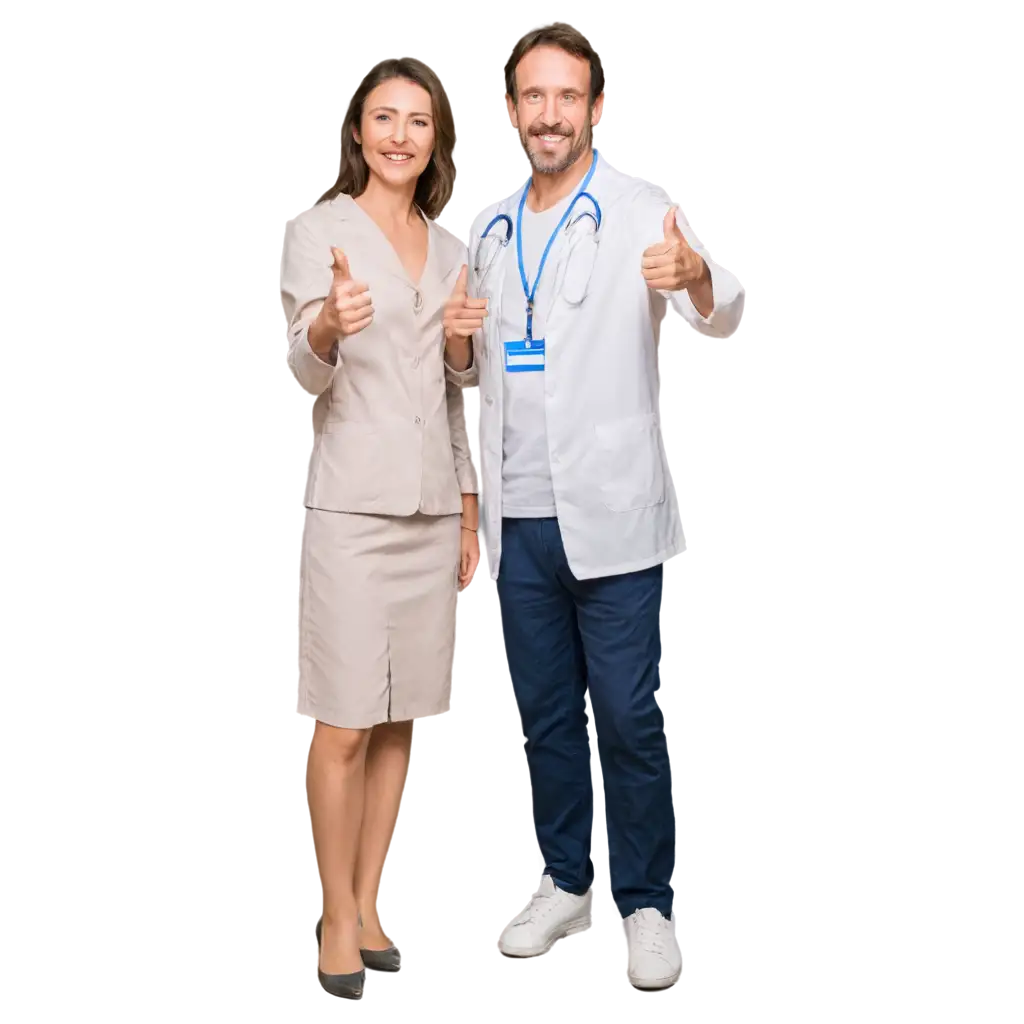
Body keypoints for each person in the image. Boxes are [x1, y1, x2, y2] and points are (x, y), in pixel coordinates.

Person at [462, 26, 744, 989]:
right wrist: (459, 349)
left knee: (628, 716)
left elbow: (715, 301)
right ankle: (563, 876)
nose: (549, 114)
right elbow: (477, 374)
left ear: (596, 108)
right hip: (521, 517)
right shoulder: (490, 226)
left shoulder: (635, 211)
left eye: (567, 97)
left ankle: (650, 899)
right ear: (511, 110)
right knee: (545, 715)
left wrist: (694, 276)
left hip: (612, 513)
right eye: (532, 97)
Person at [277, 57, 486, 1001]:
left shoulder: (452, 245)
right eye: (383, 117)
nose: (400, 134)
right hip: (353, 510)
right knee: (343, 722)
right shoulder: (316, 232)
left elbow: (460, 394)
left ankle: (364, 905)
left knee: (403, 718)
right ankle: (330, 922)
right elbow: (301, 372)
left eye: (418, 121)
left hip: (431, 506)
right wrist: (327, 324)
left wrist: (471, 509)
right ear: (356, 132)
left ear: (435, 138)